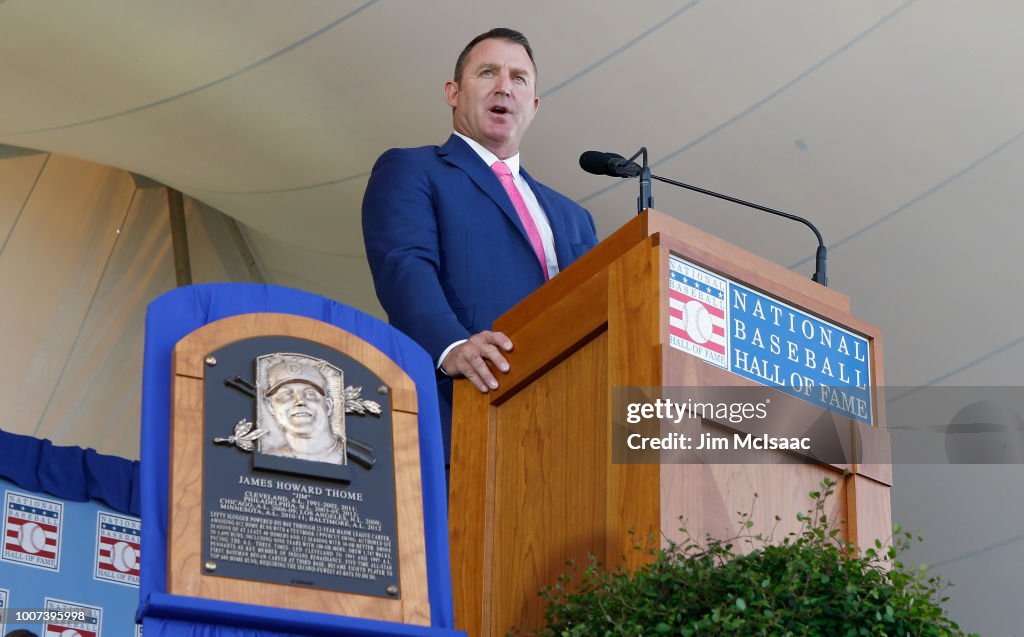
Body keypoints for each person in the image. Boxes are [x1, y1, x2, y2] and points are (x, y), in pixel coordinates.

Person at [362, 28, 599, 462]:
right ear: (453, 92)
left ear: (534, 105)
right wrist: (452, 345)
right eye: (487, 72)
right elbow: (405, 265)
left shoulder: (573, 217)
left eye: (519, 78)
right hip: (465, 407)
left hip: (566, 430)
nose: (504, 87)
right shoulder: (413, 170)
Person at [260, 358, 345, 464]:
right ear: (270, 406)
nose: (299, 401)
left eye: (310, 394)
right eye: (286, 394)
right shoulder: (270, 457)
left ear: (328, 406)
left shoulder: (348, 455)